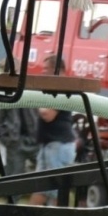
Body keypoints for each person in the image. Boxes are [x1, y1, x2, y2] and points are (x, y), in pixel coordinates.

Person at [31, 56, 79, 205]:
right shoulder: (53, 88)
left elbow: (48, 114)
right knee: (41, 187)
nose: (43, 71)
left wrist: (34, 101)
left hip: (58, 145)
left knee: (55, 189)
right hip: (49, 144)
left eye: (46, 68)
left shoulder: (62, 88)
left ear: (57, 69)